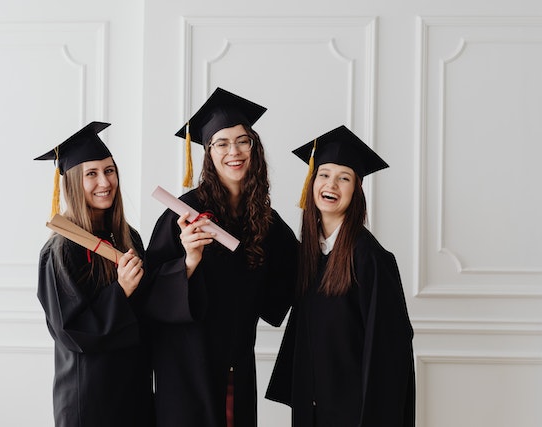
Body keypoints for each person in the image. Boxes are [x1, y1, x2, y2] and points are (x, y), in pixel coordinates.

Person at [144, 88, 299, 427]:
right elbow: (147, 293)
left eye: (243, 141)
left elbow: (293, 276)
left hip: (236, 362)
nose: (234, 151)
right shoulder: (183, 215)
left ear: (254, 148)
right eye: (222, 143)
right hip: (185, 365)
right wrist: (188, 261)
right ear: (208, 153)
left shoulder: (265, 219)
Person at [266, 125, 415, 426]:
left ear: (356, 190)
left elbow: (389, 353)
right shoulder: (309, 253)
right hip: (312, 407)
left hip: (354, 412)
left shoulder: (370, 258)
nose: (331, 183)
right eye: (323, 174)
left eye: (343, 177)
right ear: (311, 182)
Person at [34, 122, 155, 427]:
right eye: (92, 174)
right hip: (90, 396)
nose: (105, 181)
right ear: (74, 182)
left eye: (110, 170)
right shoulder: (61, 251)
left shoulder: (130, 238)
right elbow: (70, 330)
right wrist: (121, 290)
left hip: (135, 389)